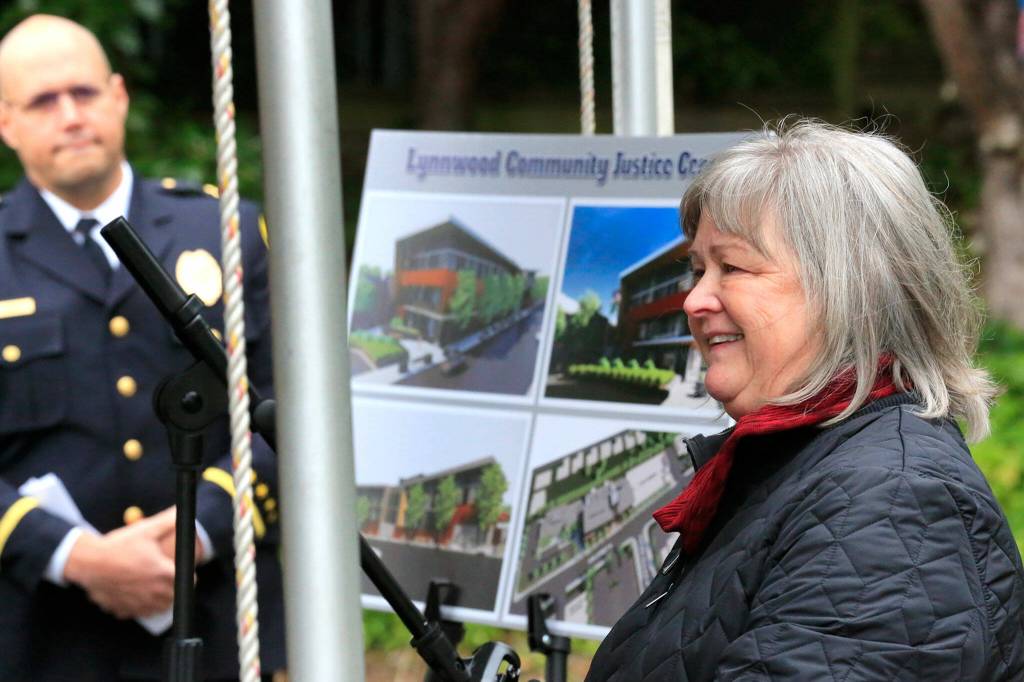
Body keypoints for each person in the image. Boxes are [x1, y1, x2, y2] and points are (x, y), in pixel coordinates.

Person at [585, 119, 1024, 681]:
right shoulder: (805, 465)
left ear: (847, 288)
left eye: (733, 267)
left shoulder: (892, 506)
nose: (694, 299)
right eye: (698, 270)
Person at [0, 14, 285, 681]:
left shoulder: (227, 232)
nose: (71, 115)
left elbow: (292, 411)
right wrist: (70, 553)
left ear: (120, 96)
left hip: (214, 622)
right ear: (6, 123)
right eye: (43, 101)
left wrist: (202, 529)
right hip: (38, 637)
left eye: (85, 93)